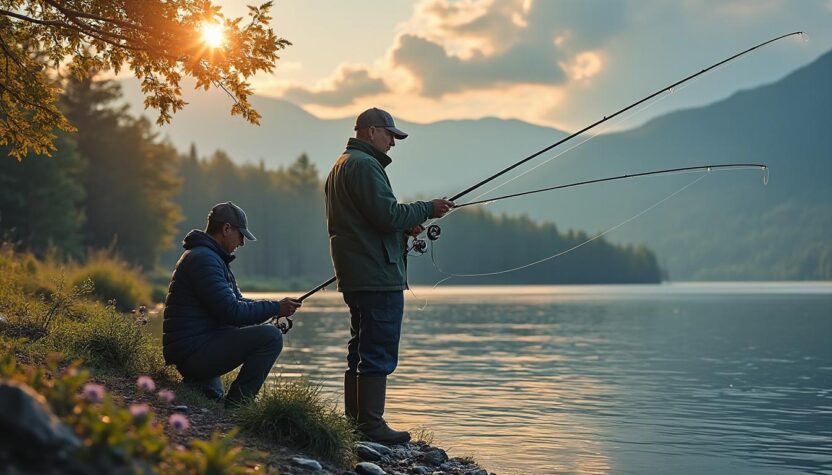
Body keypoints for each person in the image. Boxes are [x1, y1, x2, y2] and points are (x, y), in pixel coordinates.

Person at [325, 107, 454, 444]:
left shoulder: (342, 164)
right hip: (376, 273)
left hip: (357, 273)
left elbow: (369, 220)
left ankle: (356, 423)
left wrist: (403, 228)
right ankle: (371, 425)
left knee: (360, 348)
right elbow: (387, 215)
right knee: (377, 349)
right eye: (390, 135)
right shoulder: (365, 165)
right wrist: (427, 208)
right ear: (371, 132)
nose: (393, 143)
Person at [162, 202, 302, 408]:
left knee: (212, 396)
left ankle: (203, 387)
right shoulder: (204, 259)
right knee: (271, 337)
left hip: (196, 348)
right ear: (226, 229)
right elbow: (232, 311)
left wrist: (275, 307)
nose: (242, 242)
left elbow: (237, 302)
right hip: (193, 353)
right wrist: (275, 308)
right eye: (241, 235)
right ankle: (237, 406)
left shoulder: (210, 257)